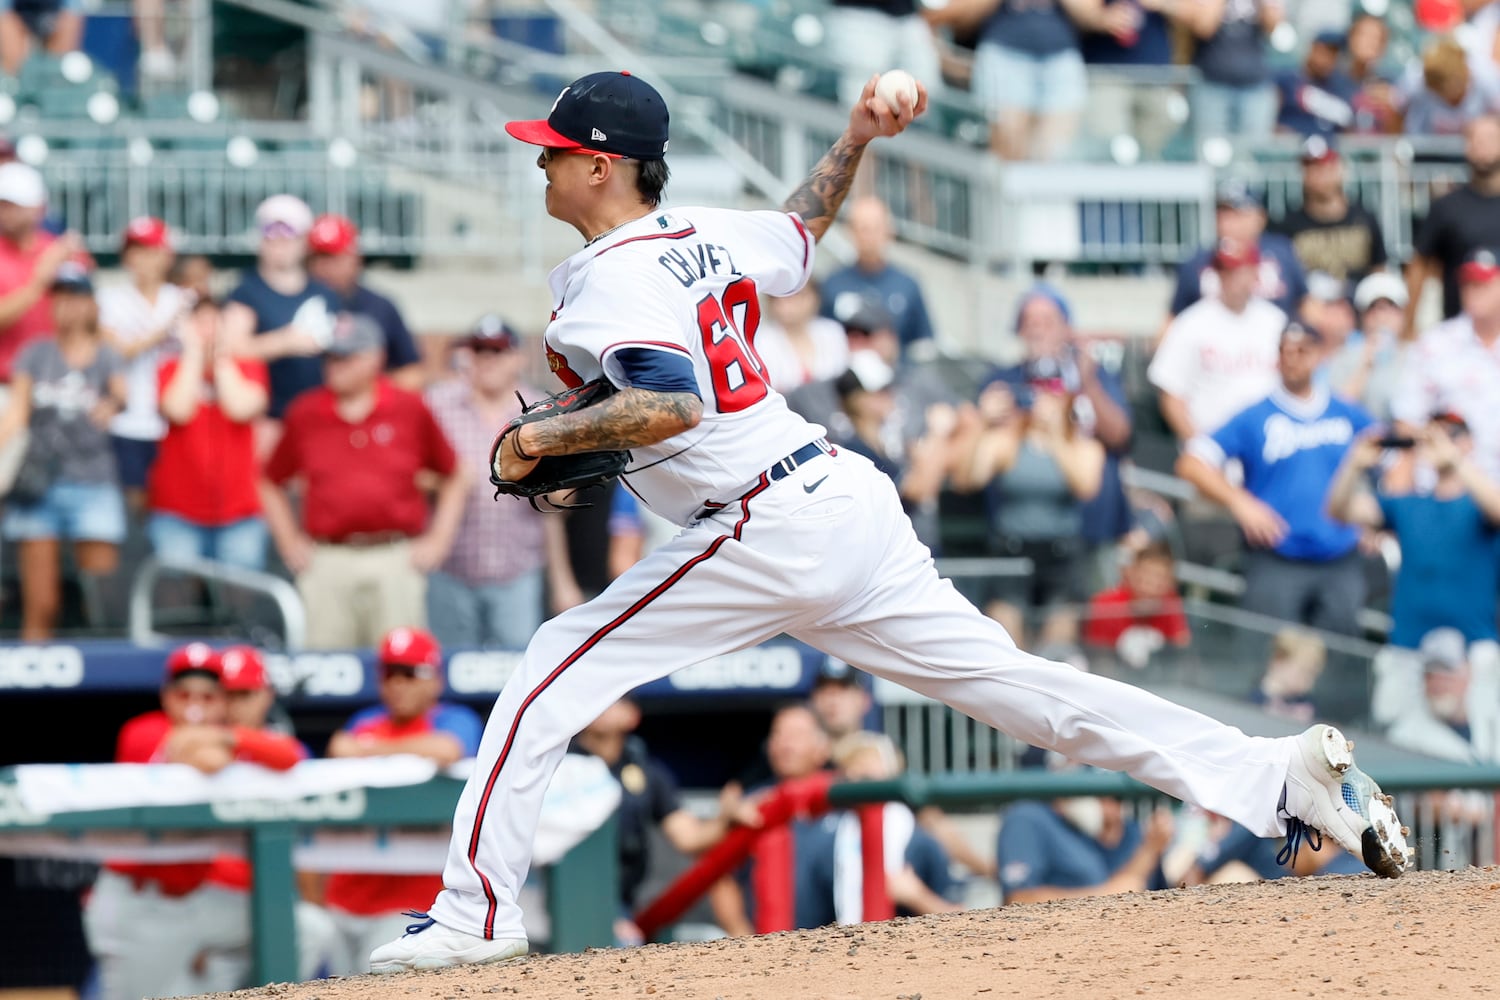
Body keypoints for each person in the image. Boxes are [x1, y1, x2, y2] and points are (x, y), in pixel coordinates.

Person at [368, 68, 1409, 975]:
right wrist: (856, 136)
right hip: (840, 500)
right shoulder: (703, 232)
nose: (539, 166)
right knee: (1031, 695)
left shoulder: (608, 278)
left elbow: (673, 401)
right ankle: (1275, 776)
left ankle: (474, 914)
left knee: (552, 662)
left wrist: (533, 443)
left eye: (553, 153)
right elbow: (803, 230)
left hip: (764, 519)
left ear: (603, 166)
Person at [82, 643, 330, 1000]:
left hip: (198, 901)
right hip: (141, 904)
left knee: (306, 928)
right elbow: (206, 759)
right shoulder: (143, 730)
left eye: (208, 696)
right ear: (167, 697)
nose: (195, 705)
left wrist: (230, 735)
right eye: (184, 694)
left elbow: (287, 754)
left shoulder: (224, 736)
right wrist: (224, 740)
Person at [260, 312, 467, 649]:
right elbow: (270, 480)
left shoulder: (409, 408)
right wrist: (288, 540)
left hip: (394, 555)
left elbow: (456, 475)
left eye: (346, 357)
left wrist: (439, 539)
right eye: (330, 357)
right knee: (325, 672)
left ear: (375, 358)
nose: (334, 366)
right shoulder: (305, 412)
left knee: (401, 664)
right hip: (327, 558)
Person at [1176, 320, 1372, 635]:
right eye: (1285, 351)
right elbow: (1192, 462)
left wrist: (1380, 520)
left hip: (1339, 557)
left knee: (1342, 665)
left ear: (1319, 355)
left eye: (1302, 350)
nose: (1293, 358)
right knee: (1264, 657)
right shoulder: (1256, 416)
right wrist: (1240, 502)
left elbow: (1397, 457)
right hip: (1277, 555)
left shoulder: (1345, 412)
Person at [321, 627, 484, 974]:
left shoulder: (454, 719)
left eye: (410, 674)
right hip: (346, 896)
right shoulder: (365, 720)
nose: (398, 684)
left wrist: (374, 750)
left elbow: (447, 748)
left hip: (411, 905)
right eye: (390, 673)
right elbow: (339, 747)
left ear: (435, 680)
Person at [423, 314, 581, 649]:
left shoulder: (543, 411)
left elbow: (558, 505)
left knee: (513, 671)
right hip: (449, 566)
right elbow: (410, 474)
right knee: (450, 669)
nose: (488, 360)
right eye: (480, 350)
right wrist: (445, 484)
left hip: (517, 568)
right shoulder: (437, 405)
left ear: (517, 357)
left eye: (497, 351)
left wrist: (562, 579)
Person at [0, 263, 125, 639]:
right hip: (40, 484)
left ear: (90, 304)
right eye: (59, 299)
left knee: (100, 598)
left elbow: (121, 393)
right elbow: (16, 415)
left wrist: (112, 404)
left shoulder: (106, 353)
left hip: (93, 480)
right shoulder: (35, 353)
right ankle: (28, 690)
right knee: (42, 603)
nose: (66, 307)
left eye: (75, 298)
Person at [979, 284, 1135, 585]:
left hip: (1093, 526)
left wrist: (1086, 382)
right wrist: (985, 416)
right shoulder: (1004, 381)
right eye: (1029, 322)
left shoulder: (1094, 376)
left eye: (1047, 321)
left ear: (1067, 329)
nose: (1037, 330)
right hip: (1017, 532)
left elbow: (1120, 436)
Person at [952, 349, 1106, 648]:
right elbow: (966, 480)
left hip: (1062, 557)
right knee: (1006, 648)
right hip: (1012, 553)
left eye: (1053, 388)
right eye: (1038, 388)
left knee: (1057, 652)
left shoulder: (1082, 445)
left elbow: (1086, 487)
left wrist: (1056, 434)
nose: (1044, 397)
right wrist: (981, 423)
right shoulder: (1008, 440)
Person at [1326, 411, 1500, 652]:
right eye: (1431, 436)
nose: (1439, 443)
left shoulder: (1481, 505)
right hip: (1408, 646)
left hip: (1473, 648)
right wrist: (1353, 464)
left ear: (1469, 442)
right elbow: (1339, 511)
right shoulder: (1408, 504)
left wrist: (1457, 460)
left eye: (1450, 435)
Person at [570, 696, 735, 945]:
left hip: (620, 902)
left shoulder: (644, 770)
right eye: (596, 694)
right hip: (561, 899)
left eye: (612, 697)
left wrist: (727, 818)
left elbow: (688, 837)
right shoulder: (558, 763)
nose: (600, 703)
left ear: (631, 715)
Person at [149, 296, 271, 569]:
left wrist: (222, 356)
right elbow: (178, 411)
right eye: (200, 322)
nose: (208, 330)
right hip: (177, 511)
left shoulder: (249, 367)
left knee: (242, 594)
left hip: (239, 512)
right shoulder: (169, 369)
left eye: (215, 321)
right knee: (179, 597)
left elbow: (240, 408)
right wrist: (192, 352)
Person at [221, 194, 339, 443]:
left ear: (304, 242)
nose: (279, 245)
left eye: (288, 238)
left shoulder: (323, 293)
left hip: (320, 419)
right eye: (271, 237)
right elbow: (231, 348)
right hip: (269, 420)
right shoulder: (245, 291)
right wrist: (285, 342)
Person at [932, 0, 1106, 162]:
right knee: (1008, 149)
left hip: (1060, 57)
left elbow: (1091, 15)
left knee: (1056, 156)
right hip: (1004, 53)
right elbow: (959, 18)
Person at [1149, 238, 1284, 442]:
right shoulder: (1191, 323)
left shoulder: (1275, 321)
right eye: (1225, 271)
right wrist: (1201, 448)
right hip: (1215, 445)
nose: (1231, 278)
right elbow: (1170, 394)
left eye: (1239, 270)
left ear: (1255, 272)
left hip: (1271, 445)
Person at [996, 757, 1175, 905]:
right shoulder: (1028, 818)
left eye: (1117, 798)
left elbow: (1128, 884)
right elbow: (1019, 899)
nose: (1112, 808)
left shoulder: (1091, 829)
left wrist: (1149, 850)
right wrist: (1108, 895)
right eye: (1102, 797)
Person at [826, 731, 963, 922]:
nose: (855, 775)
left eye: (865, 769)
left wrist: (917, 897)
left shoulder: (919, 840)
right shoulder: (832, 834)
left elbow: (958, 918)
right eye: (849, 769)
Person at [98, 216, 188, 508]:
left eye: (151, 249)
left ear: (167, 255)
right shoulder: (109, 299)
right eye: (135, 250)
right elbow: (118, 351)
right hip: (128, 420)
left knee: (174, 499)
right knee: (131, 501)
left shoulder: (182, 298)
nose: (143, 258)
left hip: (174, 418)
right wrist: (164, 328)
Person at [0, 160, 81, 483]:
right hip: (5, 388)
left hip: (58, 388)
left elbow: (85, 319)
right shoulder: (52, 258)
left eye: (13, 205)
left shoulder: (63, 252)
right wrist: (39, 280)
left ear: (38, 208)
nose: (4, 212)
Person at [1392, 246, 1500, 480]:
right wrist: (1440, 437)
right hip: (1449, 488)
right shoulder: (1434, 344)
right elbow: (1405, 421)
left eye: (1482, 283)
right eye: (1468, 283)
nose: (1473, 291)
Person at [305, 213, 424, 391]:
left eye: (334, 257)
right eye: (318, 258)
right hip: (306, 412)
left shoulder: (380, 306)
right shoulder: (295, 304)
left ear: (356, 258)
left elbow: (412, 371)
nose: (325, 267)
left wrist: (365, 395)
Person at [1404, 115, 1500, 331]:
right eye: (1475, 140)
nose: (1482, 146)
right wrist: (1408, 325)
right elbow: (1419, 265)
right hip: (1460, 335)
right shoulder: (1446, 207)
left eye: (1490, 138)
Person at [1165, 180, 1306, 323]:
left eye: (1238, 213)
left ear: (1260, 217)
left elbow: (1305, 304)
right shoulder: (1198, 261)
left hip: (1273, 340)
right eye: (1223, 213)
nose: (1228, 221)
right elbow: (1173, 317)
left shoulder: (1281, 252)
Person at [818, 196, 935, 355]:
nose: (869, 237)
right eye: (862, 228)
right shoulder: (832, 284)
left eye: (875, 228)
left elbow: (923, 344)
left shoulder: (907, 285)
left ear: (889, 230)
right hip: (844, 376)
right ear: (850, 230)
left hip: (899, 376)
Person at [1371, 625, 1500, 765]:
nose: (1438, 683)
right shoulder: (1405, 736)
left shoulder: (1489, 713)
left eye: (1447, 673)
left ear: (1467, 673)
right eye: (1430, 674)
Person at [1273, 135, 1388, 284]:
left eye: (1325, 165)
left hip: (1358, 301)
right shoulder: (1287, 225)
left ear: (1341, 168)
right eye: (1311, 167)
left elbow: (1378, 268)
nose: (1319, 174)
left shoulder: (1365, 217)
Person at [1185, 0, 1283, 141]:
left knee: (1253, 155)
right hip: (1212, 84)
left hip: (1255, 85)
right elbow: (1204, 27)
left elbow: (1273, 26)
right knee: (1210, 150)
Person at [1081, 538, 1189, 664]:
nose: (1151, 587)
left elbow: (1181, 651)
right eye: (1145, 578)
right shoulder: (1106, 606)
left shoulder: (1171, 606)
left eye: (1159, 580)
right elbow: (1098, 658)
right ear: (1131, 574)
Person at [1325, 270, 1407, 420]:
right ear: (1362, 317)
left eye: (1390, 308)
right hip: (1360, 439)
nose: (1382, 317)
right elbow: (1336, 413)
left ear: (1402, 315)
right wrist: (1365, 366)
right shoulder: (1343, 357)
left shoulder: (1415, 355)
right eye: (1373, 309)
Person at [753, 279, 849, 393]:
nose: (788, 303)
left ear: (815, 298)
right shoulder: (760, 340)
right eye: (780, 297)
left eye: (798, 295)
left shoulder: (832, 331)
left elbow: (843, 378)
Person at [1396, 35, 1500, 138]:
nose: (1453, 91)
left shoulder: (1487, 77)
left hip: (1476, 151)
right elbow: (1396, 110)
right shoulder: (1414, 81)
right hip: (1423, 149)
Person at [1248, 626, 1326, 723]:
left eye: (1314, 674)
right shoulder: (1252, 698)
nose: (1310, 681)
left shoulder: (1308, 703)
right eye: (1304, 672)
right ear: (1279, 661)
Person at [0, 0, 82, 77]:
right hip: (13, 7)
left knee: (57, 69)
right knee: (12, 68)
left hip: (56, 7)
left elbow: (72, 9)